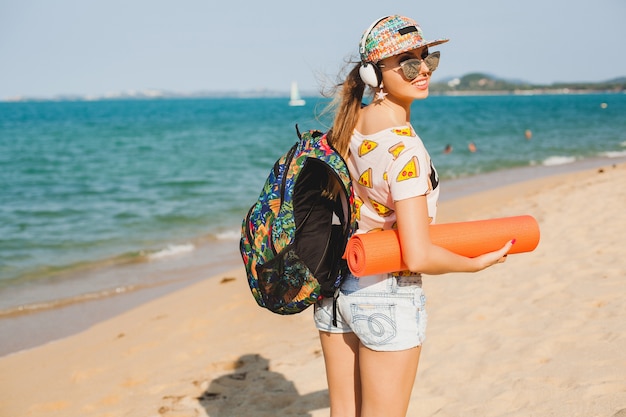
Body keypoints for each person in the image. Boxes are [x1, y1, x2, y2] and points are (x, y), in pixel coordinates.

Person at [313, 15, 514, 417]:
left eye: (427, 58)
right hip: (386, 292)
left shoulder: (348, 126)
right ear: (374, 74)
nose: (423, 69)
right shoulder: (406, 151)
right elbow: (418, 254)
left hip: (335, 287)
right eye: (407, 61)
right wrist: (474, 264)